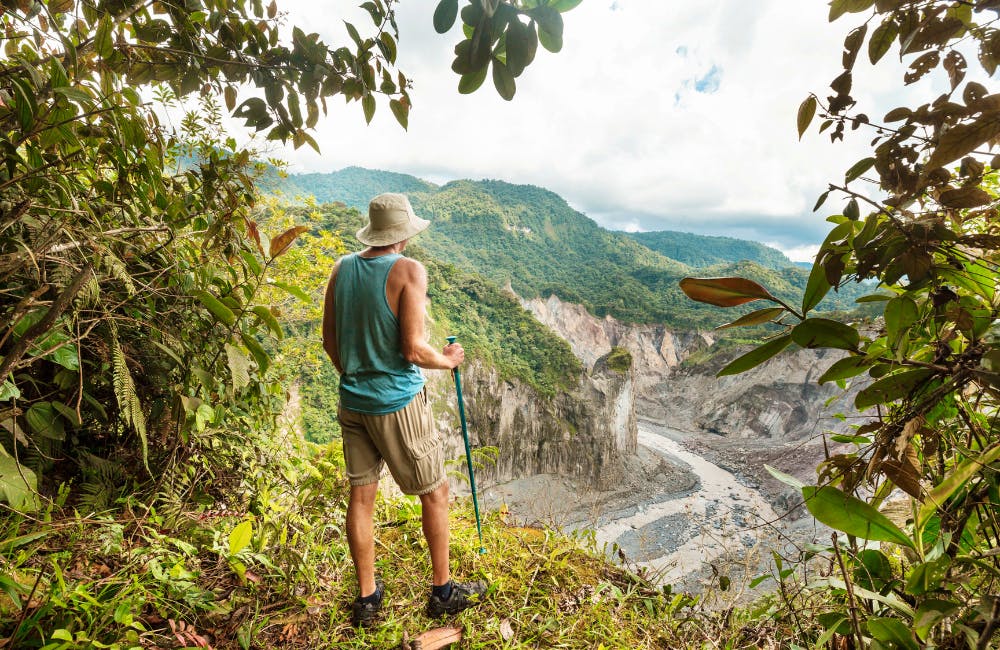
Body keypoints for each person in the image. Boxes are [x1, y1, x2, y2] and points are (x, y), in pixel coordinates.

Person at [321, 192, 487, 627]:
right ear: (403, 233)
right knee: (434, 491)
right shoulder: (408, 270)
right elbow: (413, 349)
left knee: (361, 495)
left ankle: (367, 599)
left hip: (352, 400)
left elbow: (329, 343)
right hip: (396, 404)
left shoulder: (342, 269)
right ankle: (443, 592)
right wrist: (448, 360)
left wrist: (357, 375)